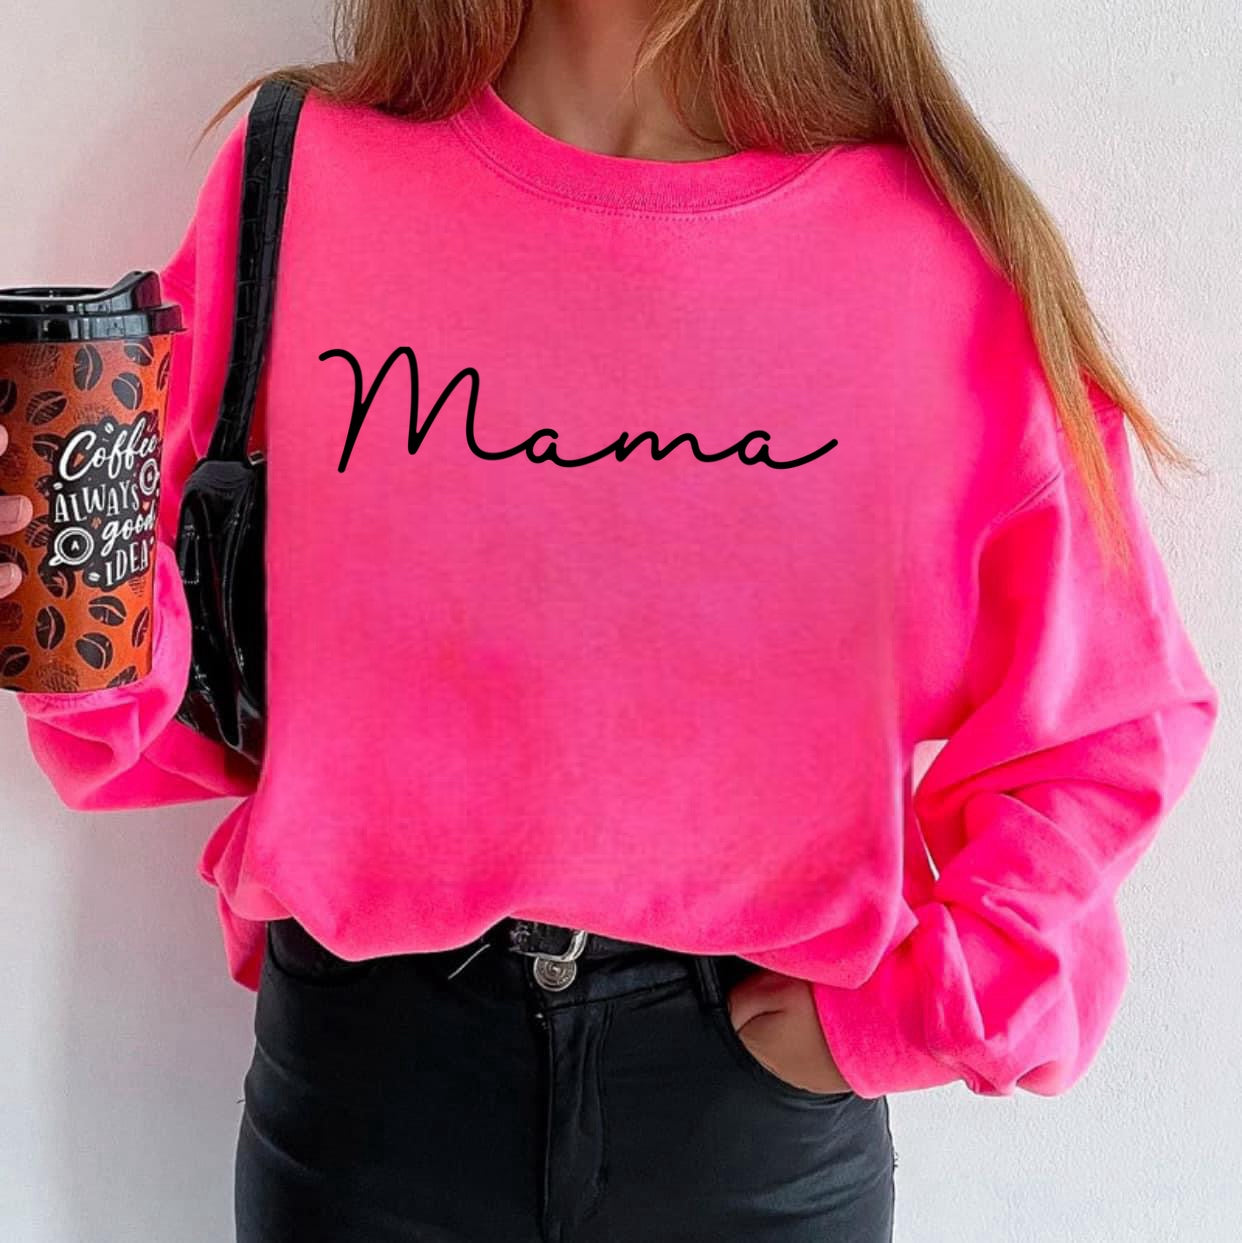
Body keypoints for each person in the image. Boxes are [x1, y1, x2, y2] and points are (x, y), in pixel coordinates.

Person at [5, 2, 1220, 1240]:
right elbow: (139, 643)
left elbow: (1108, 721)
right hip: (367, 1098)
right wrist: (59, 593)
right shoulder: (300, 171)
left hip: (744, 1125)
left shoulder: (934, 251)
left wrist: (933, 1003)